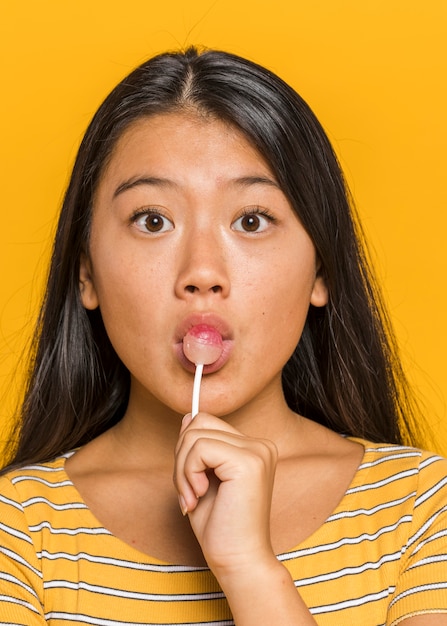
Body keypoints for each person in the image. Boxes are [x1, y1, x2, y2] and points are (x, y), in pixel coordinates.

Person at [0, 46, 446, 626]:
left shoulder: (421, 510)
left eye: (251, 220)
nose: (202, 273)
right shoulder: (18, 531)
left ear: (321, 271)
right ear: (86, 273)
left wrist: (250, 571)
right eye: (152, 220)